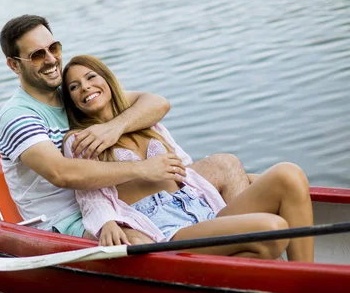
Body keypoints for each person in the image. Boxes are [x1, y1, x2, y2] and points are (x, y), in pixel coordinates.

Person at [0, 14, 253, 240]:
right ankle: (235, 250)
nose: (51, 59)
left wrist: (114, 127)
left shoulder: (74, 93)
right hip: (69, 218)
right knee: (133, 239)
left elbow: (156, 103)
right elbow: (62, 173)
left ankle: (251, 250)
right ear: (14, 65)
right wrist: (143, 169)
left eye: (54, 48)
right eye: (37, 55)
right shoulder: (18, 115)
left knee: (234, 171)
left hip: (118, 196)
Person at [61, 54, 314, 262]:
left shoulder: (147, 124)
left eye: (91, 76)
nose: (85, 87)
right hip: (165, 229)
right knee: (272, 229)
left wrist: (243, 178)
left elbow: (186, 169)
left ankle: (308, 282)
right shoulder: (80, 140)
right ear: (72, 101)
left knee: (288, 174)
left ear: (107, 79)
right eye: (74, 86)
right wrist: (107, 223)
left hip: (200, 208)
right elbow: (89, 196)